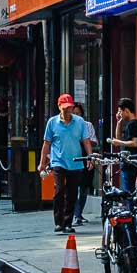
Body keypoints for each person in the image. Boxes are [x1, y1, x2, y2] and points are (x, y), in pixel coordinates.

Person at [37, 93, 93, 235]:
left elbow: (86, 141)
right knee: (59, 190)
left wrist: (90, 157)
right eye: (65, 108)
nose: (68, 111)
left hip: (75, 162)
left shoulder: (80, 122)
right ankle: (58, 222)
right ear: (59, 107)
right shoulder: (52, 122)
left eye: (69, 108)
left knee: (72, 193)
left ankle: (68, 222)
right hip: (58, 161)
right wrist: (42, 163)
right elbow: (46, 144)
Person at [73, 103, 99, 227]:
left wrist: (86, 141)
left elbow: (94, 141)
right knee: (73, 188)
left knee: (83, 188)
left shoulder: (88, 125)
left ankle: (78, 213)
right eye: (74, 113)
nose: (76, 116)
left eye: (78, 113)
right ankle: (75, 214)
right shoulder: (69, 127)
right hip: (73, 159)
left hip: (86, 158)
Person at [110, 98, 137, 193]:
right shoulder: (128, 124)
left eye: (120, 111)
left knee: (129, 191)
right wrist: (119, 122)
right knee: (127, 189)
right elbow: (119, 137)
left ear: (127, 111)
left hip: (131, 163)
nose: (119, 113)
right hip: (126, 163)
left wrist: (119, 143)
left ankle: (131, 208)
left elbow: (135, 143)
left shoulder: (133, 124)